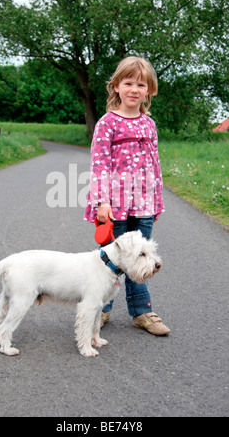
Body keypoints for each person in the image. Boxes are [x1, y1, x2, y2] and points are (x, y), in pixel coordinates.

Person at [84, 56, 170, 336]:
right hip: (114, 205)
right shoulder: (107, 123)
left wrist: (157, 200)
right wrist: (102, 202)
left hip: (143, 203)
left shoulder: (149, 125)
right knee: (111, 259)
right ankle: (101, 309)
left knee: (141, 257)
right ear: (116, 86)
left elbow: (155, 164)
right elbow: (99, 165)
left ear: (150, 90)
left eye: (141, 84)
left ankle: (142, 311)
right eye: (128, 83)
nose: (134, 89)